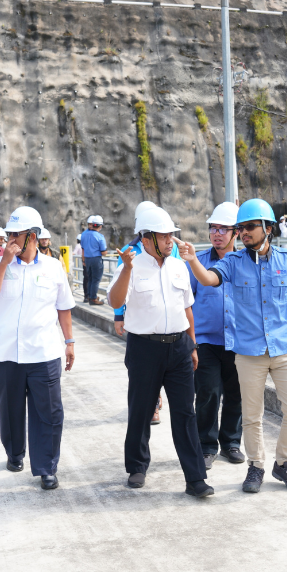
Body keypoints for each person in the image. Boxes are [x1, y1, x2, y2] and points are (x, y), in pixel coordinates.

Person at [177, 198, 287, 495]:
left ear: (268, 228)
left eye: (250, 227)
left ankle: (284, 463)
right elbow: (208, 278)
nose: (243, 233)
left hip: (283, 348)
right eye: (240, 228)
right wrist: (192, 259)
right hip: (249, 352)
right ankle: (255, 466)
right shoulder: (232, 262)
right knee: (252, 415)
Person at [106, 206, 213, 498]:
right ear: (148, 238)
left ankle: (195, 478)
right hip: (144, 348)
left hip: (179, 347)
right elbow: (115, 299)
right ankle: (137, 466)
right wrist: (126, 269)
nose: (170, 241)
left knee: (184, 413)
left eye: (171, 235)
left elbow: (187, 308)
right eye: (164, 236)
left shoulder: (179, 266)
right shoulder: (130, 265)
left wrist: (191, 345)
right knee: (141, 410)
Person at [0, 206, 76, 491]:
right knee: (10, 409)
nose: (9, 240)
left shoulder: (53, 267)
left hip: (43, 352)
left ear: (32, 237)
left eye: (15, 235)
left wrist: (69, 343)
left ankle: (46, 467)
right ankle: (15, 453)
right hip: (6, 352)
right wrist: (4, 264)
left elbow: (64, 308)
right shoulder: (0, 264)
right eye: (8, 234)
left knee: (49, 412)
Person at [188, 202, 245, 470]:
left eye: (223, 229)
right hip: (206, 342)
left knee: (237, 393)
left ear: (236, 233)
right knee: (208, 392)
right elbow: (186, 303)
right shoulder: (196, 263)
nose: (217, 233)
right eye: (213, 228)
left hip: (240, 341)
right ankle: (207, 445)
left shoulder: (246, 263)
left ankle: (232, 443)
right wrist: (190, 342)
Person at [113, 203, 179, 424]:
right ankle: (151, 406)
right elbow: (119, 287)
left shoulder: (171, 247)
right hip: (142, 324)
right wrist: (119, 315)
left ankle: (154, 403)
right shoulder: (130, 251)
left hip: (169, 321)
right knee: (142, 370)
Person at [80, 215, 107, 306]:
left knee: (90, 279)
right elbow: (104, 252)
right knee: (96, 280)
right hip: (96, 259)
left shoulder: (83, 234)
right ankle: (93, 298)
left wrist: (83, 260)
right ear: (100, 226)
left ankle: (90, 296)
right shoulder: (100, 236)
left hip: (87, 259)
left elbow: (83, 248)